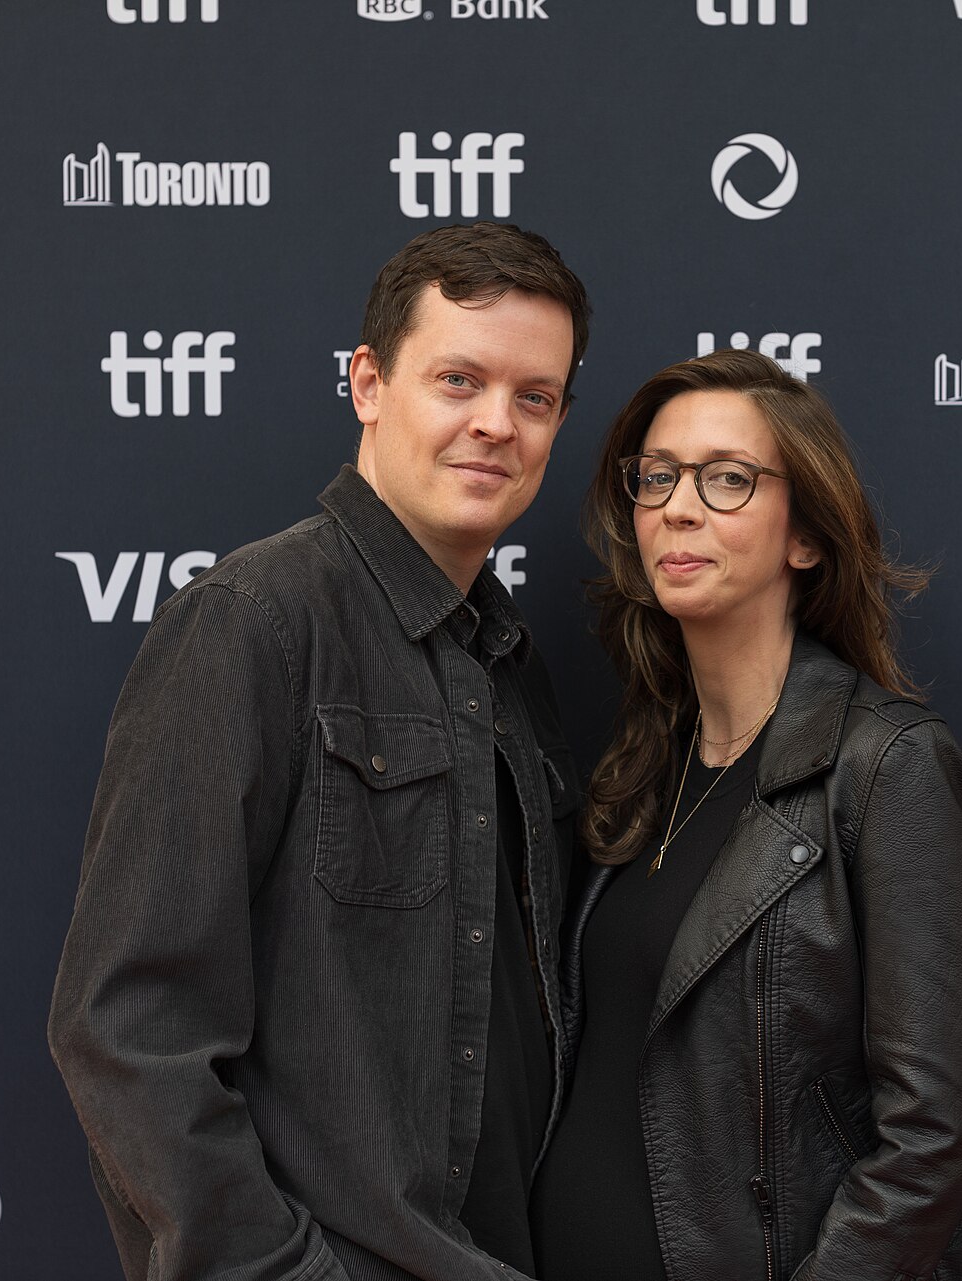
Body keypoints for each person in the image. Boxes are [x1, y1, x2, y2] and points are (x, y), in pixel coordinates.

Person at [48, 222, 592, 1281]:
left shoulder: (514, 666)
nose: (496, 424)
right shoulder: (254, 622)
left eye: (535, 397)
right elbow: (125, 1029)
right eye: (459, 379)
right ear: (369, 385)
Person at [532, 350, 962, 1281]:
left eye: (728, 480)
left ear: (805, 536)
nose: (679, 506)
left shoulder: (887, 765)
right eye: (659, 477)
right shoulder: (643, 764)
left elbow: (932, 1138)